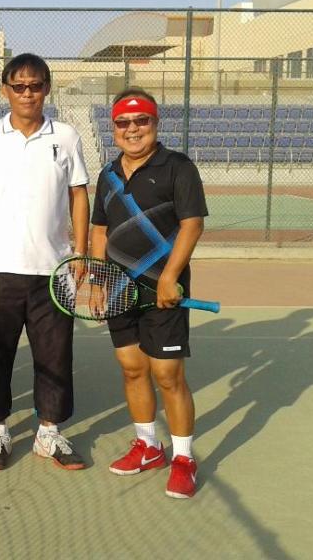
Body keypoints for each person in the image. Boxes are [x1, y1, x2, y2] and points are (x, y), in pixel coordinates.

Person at [0, 53, 90, 471]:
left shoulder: (67, 137)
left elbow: (78, 195)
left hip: (55, 270)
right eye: (19, 86)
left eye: (35, 85)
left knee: (55, 356)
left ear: (47, 89)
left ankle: (49, 433)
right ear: (5, 91)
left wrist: (81, 252)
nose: (27, 93)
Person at [89, 86, 208, 498]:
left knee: (167, 375)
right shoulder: (106, 174)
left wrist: (168, 276)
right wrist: (99, 280)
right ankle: (148, 446)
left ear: (155, 123)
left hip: (164, 290)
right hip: (120, 289)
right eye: (124, 122)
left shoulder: (178, 167)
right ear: (114, 127)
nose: (133, 129)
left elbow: (192, 224)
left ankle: (183, 458)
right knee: (132, 368)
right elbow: (100, 230)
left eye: (142, 120)